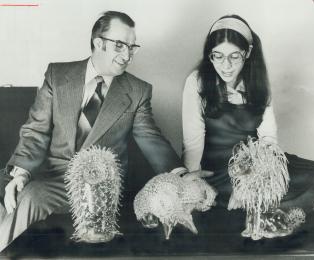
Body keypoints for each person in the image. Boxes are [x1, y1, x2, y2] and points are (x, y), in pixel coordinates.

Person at [0, 11, 193, 252]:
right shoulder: (57, 76)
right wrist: (21, 174)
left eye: (132, 47)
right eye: (120, 45)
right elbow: (35, 131)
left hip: (101, 186)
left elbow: (151, 138)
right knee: (14, 195)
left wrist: (182, 175)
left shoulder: (137, 91)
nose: (128, 55)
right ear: (98, 42)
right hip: (52, 177)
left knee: (31, 197)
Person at [182, 15, 314, 236]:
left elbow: (268, 140)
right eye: (217, 56)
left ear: (247, 53)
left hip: (256, 167)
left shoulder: (258, 83)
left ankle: (274, 211)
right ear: (209, 56)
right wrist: (194, 184)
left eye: (234, 56)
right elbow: (192, 142)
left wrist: (249, 183)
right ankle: (278, 213)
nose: (226, 65)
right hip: (216, 171)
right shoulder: (197, 81)